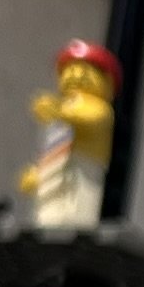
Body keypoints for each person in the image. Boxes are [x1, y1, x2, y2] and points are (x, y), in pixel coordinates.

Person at [18, 38, 117, 233]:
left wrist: (60, 112)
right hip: (55, 170)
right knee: (48, 211)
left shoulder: (99, 108)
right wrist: (38, 174)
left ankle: (71, 231)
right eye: (69, 71)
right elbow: (53, 147)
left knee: (75, 207)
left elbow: (90, 120)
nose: (76, 76)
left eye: (85, 72)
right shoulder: (63, 110)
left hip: (82, 168)